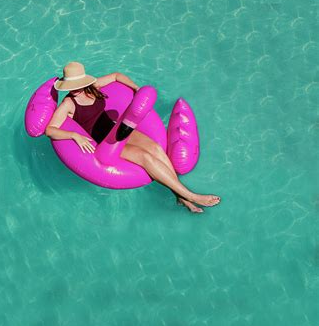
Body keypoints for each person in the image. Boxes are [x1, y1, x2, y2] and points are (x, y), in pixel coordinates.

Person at [45, 62, 221, 213]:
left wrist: (137, 89)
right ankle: (191, 196)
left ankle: (179, 196)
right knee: (145, 157)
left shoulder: (94, 87)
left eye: (76, 84)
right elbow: (50, 130)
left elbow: (116, 76)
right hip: (106, 142)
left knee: (155, 149)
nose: (74, 89)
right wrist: (75, 135)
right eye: (71, 86)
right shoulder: (68, 103)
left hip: (118, 128)